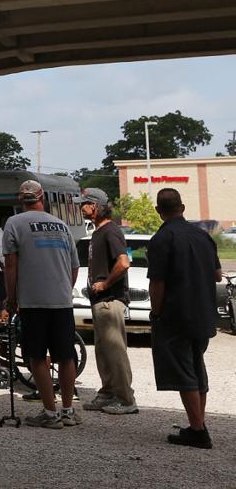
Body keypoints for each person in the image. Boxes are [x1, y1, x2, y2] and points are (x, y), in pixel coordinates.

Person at [0, 179, 81, 429]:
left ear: (19, 199)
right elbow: (74, 266)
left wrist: (11, 298)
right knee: (66, 356)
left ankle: (50, 412)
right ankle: (67, 410)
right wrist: (63, 289)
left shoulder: (14, 223)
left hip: (33, 302)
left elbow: (11, 264)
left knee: (36, 356)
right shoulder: (61, 225)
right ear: (42, 196)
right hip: (62, 301)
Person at [148, 187, 223, 449]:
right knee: (197, 368)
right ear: (182, 207)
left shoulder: (162, 239)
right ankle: (197, 423)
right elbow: (217, 275)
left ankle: (198, 430)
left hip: (176, 315)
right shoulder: (202, 236)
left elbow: (157, 283)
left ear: (159, 211)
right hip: (203, 312)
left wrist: (155, 314)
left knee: (183, 372)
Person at [76, 187, 138, 416]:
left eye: (83, 203)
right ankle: (107, 393)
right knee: (103, 350)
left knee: (115, 350)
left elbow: (123, 263)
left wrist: (105, 283)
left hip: (110, 300)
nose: (80, 207)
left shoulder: (111, 231)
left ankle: (126, 399)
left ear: (94, 206)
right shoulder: (98, 232)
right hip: (100, 301)